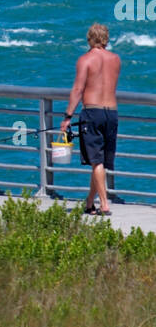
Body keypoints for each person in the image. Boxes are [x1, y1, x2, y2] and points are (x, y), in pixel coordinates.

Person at [60, 22, 120, 217]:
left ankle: (104, 205)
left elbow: (78, 90)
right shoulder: (115, 59)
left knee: (96, 162)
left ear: (89, 39)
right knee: (101, 162)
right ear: (106, 39)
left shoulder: (85, 60)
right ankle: (89, 203)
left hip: (92, 113)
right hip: (111, 112)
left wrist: (68, 116)